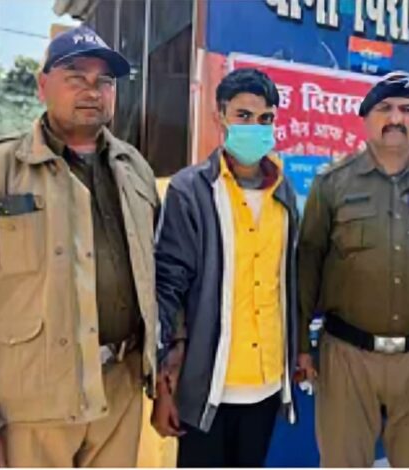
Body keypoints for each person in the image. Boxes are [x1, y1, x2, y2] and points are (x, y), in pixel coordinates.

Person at [0, 25, 160, 467]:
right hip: (31, 403)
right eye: (75, 77)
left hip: (119, 389)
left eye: (104, 81)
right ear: (42, 86)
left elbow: (154, 280)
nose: (92, 90)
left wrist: (160, 372)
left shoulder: (135, 171)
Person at [296, 71, 409, 467]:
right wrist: (301, 346)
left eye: (406, 109)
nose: (396, 118)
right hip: (348, 356)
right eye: (385, 108)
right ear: (366, 119)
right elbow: (308, 263)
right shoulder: (332, 183)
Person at [151, 68, 298, 467]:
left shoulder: (283, 195)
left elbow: (288, 284)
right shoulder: (191, 190)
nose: (255, 127)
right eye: (243, 116)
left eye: (265, 118)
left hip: (266, 385)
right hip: (207, 386)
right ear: (220, 117)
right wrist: (162, 380)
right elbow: (168, 286)